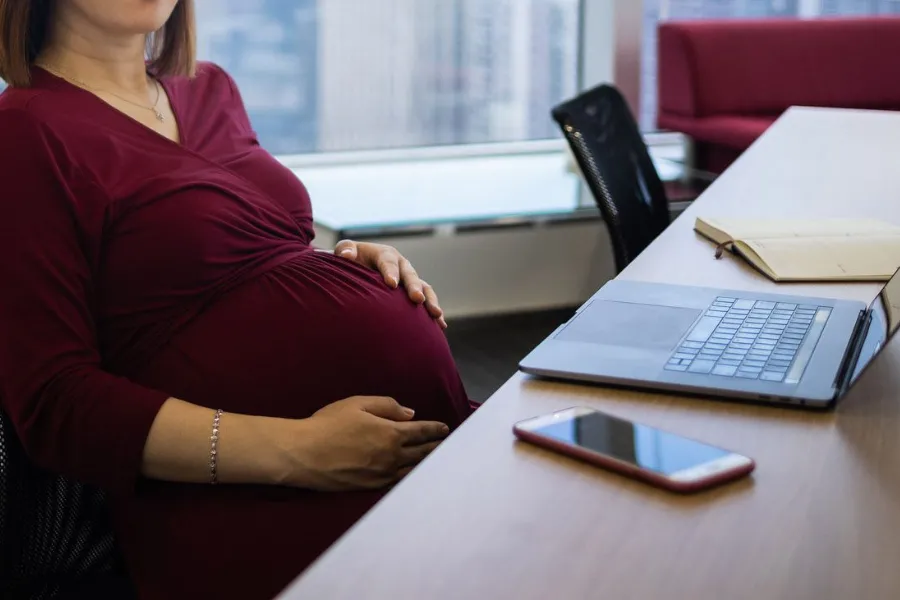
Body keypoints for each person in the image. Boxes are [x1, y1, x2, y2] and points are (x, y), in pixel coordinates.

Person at [0, 1, 473, 598]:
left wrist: (342, 260)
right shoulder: (23, 132)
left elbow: (241, 254)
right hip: (261, 499)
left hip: (404, 452)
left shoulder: (209, 86)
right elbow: (55, 401)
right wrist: (300, 452)